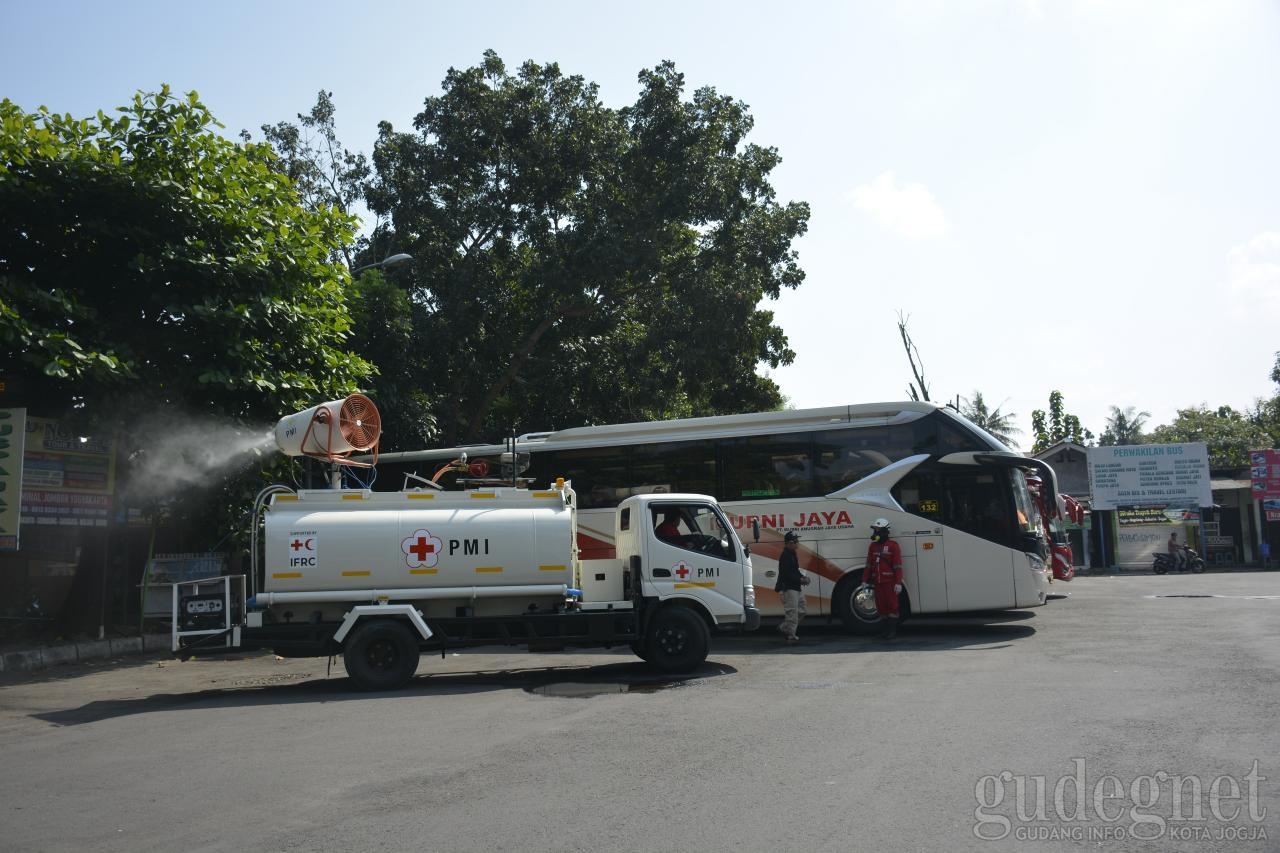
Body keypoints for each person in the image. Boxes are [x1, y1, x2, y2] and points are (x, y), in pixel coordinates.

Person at [861, 518, 904, 640]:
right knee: (881, 607)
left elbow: (897, 566)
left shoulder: (893, 546)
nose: (875, 533)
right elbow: (869, 565)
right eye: (875, 530)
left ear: (885, 531)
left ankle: (892, 631)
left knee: (892, 606)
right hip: (878, 582)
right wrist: (864, 580)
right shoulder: (873, 546)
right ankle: (885, 631)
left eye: (878, 530)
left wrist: (898, 583)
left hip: (890, 582)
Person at [774, 531, 809, 644]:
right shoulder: (785, 556)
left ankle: (784, 628)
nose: (798, 543)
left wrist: (802, 577)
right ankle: (791, 636)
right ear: (790, 543)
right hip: (788, 588)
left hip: (795, 587)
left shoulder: (792, 553)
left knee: (802, 610)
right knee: (792, 613)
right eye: (796, 541)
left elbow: (795, 571)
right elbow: (787, 574)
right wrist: (800, 580)